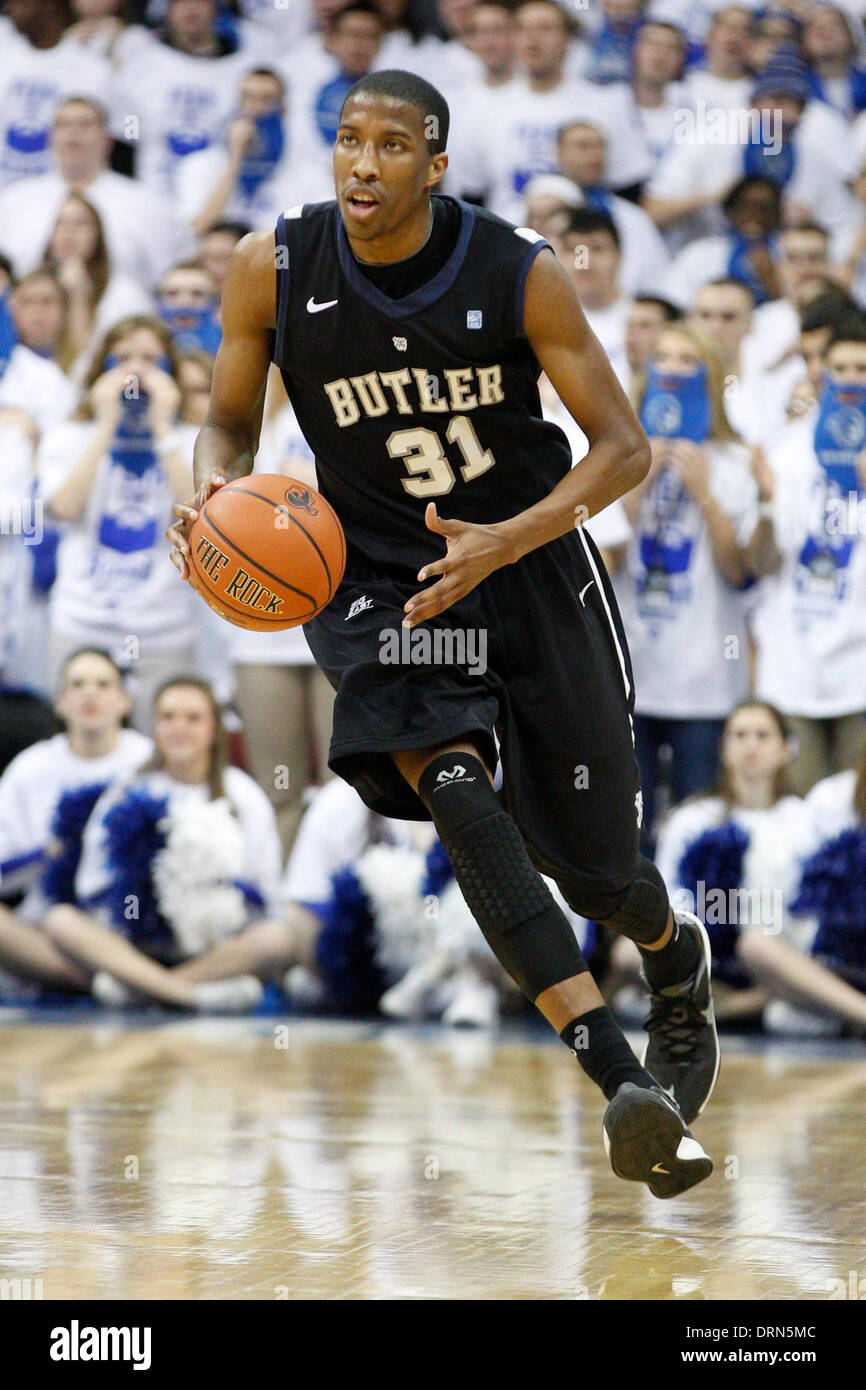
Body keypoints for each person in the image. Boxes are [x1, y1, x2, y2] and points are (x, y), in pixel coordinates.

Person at [168, 68, 718, 1199]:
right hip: (378, 580)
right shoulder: (270, 265)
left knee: (597, 871)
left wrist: (506, 538)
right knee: (457, 792)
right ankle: (616, 1076)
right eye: (344, 141)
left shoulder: (519, 270)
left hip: (526, 566)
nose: (360, 164)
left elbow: (622, 450)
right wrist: (210, 493)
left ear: (434, 162)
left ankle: (672, 959)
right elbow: (226, 419)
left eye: (388, 145)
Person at [42, 675, 282, 1011]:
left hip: (213, 946)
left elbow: (266, 893)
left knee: (277, 939)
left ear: (215, 730)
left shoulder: (244, 795)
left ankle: (143, 989)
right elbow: (91, 883)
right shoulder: (128, 789)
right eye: (168, 717)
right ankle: (189, 995)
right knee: (61, 920)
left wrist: (206, 897)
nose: (179, 727)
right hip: (135, 945)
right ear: (154, 726)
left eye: (193, 718)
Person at [611, 321, 762, 838]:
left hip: (705, 683)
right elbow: (604, 561)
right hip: (634, 677)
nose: (673, 369)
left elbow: (740, 572)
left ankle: (690, 921)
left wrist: (705, 496)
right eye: (664, 357)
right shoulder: (616, 458)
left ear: (710, 374)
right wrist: (636, 484)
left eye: (687, 359)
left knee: (694, 823)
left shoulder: (737, 461)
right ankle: (621, 924)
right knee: (628, 829)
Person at [40, 315, 200, 729]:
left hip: (162, 627)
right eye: (124, 357)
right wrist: (105, 423)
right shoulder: (69, 436)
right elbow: (64, 507)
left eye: (150, 358)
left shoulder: (189, 439)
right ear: (102, 367)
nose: (136, 370)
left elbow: (197, 515)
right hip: (81, 622)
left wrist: (163, 425)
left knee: (159, 750)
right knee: (76, 746)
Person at [751, 323, 866, 793]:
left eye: (862, 368)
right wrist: (764, 502)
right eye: (839, 367)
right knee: (796, 821)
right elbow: (761, 564)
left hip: (860, 673)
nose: (850, 377)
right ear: (818, 373)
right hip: (791, 668)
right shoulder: (786, 447)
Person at [0, 647, 151, 992]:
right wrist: (42, 856)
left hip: (130, 926)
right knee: (57, 923)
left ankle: (126, 974)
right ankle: (106, 982)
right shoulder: (29, 768)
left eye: (103, 684)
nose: (90, 693)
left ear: (124, 701)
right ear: (59, 702)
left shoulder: (147, 761)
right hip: (50, 930)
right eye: (77, 684)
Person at [0, 97, 183, 292]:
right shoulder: (13, 200)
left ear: (107, 139)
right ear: (50, 137)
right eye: (64, 125)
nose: (73, 133)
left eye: (85, 125)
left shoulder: (146, 205)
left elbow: (168, 277)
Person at [43, 193, 153, 378]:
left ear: (98, 234)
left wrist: (78, 297)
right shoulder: (34, 283)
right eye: (60, 223)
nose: (68, 232)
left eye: (80, 223)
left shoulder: (125, 294)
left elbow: (89, 365)